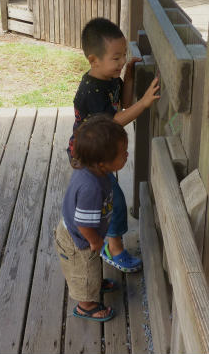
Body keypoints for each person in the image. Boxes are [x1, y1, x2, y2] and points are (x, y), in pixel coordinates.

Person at [67, 17, 160, 273]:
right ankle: (112, 247)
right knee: (113, 200)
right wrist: (145, 104)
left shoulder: (110, 79)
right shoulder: (92, 90)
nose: (120, 63)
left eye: (123, 57)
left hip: (100, 151)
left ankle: (101, 235)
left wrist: (128, 79)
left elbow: (123, 105)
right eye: (116, 58)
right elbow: (116, 121)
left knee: (106, 197)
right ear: (93, 60)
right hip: (87, 155)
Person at [55, 115, 129, 322]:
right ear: (102, 163)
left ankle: (93, 284)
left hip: (84, 234)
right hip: (79, 239)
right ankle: (86, 304)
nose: (127, 155)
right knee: (84, 269)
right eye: (122, 154)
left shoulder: (94, 171)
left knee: (91, 266)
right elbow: (82, 223)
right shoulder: (91, 187)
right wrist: (95, 240)